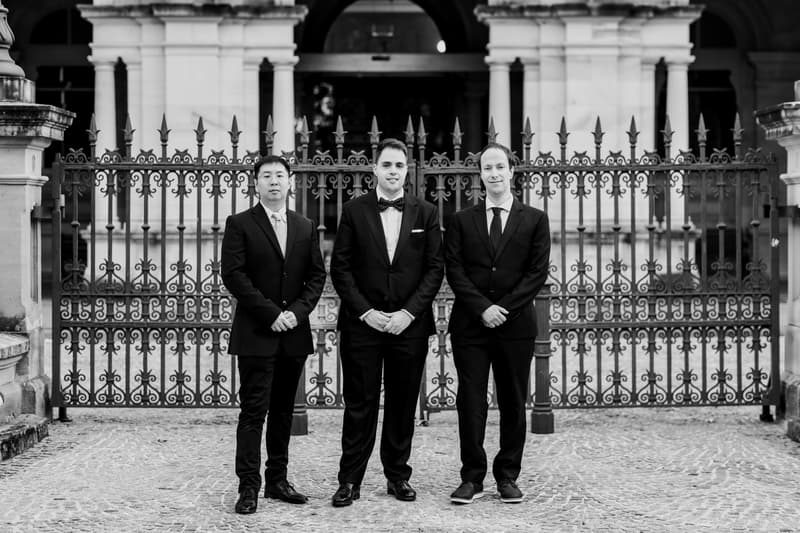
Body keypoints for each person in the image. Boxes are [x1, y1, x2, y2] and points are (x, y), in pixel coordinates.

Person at [329, 138, 445, 507]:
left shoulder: (426, 212)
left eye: (399, 166)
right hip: (363, 324)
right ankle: (350, 480)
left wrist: (408, 313)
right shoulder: (354, 210)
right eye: (387, 165)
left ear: (406, 171)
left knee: (402, 402)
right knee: (359, 403)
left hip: (408, 326)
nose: (393, 171)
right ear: (374, 170)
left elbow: (434, 268)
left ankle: (397, 476)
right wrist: (367, 312)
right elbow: (341, 268)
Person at [444, 142, 551, 505]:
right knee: (470, 401)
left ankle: (507, 474)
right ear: (480, 175)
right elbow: (454, 270)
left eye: (499, 167)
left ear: (511, 171)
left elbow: (537, 272)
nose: (493, 174)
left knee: (513, 400)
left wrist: (503, 308)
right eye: (487, 168)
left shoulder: (535, 218)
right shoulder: (460, 220)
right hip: (471, 326)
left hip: (516, 325)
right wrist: (482, 308)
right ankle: (471, 477)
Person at [221, 154, 327, 514]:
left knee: (283, 412)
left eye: (280, 175)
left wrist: (295, 314)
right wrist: (272, 314)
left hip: (293, 334)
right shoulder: (240, 223)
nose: (274, 181)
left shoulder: (305, 225)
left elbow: (316, 277)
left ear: (290, 182)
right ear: (256, 184)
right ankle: (248, 486)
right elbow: (234, 275)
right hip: (256, 332)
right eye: (266, 176)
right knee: (254, 411)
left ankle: (277, 481)